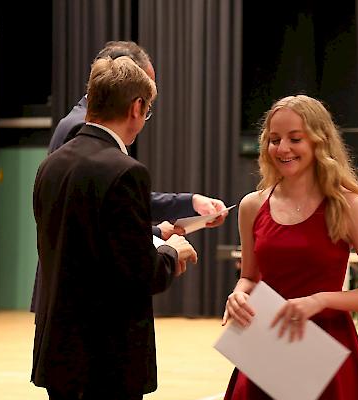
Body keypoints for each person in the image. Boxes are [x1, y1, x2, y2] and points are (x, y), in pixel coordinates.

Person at [31, 56, 198, 400]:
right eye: (147, 110)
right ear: (136, 107)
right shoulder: (125, 171)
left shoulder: (51, 166)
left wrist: (152, 235)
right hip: (106, 360)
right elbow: (142, 273)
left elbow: (83, 248)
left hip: (59, 351)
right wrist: (173, 251)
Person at [216, 95, 358, 400]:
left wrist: (322, 300)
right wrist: (239, 294)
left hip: (325, 352)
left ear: (319, 140)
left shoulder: (348, 205)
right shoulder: (252, 206)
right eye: (274, 139)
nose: (283, 147)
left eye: (295, 138)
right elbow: (250, 278)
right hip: (267, 348)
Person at [31, 40, 227, 312]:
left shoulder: (69, 141)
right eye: (146, 97)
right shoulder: (86, 134)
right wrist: (169, 248)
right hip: (90, 306)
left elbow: (97, 213)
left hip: (67, 303)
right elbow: (93, 230)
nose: (147, 107)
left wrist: (182, 208)